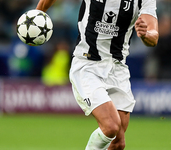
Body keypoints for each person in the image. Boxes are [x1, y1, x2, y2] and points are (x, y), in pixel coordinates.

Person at [36, 0, 159, 149]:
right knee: (111, 126)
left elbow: (153, 35)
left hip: (117, 68)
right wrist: (38, 13)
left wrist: (147, 34)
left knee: (118, 143)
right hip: (87, 64)